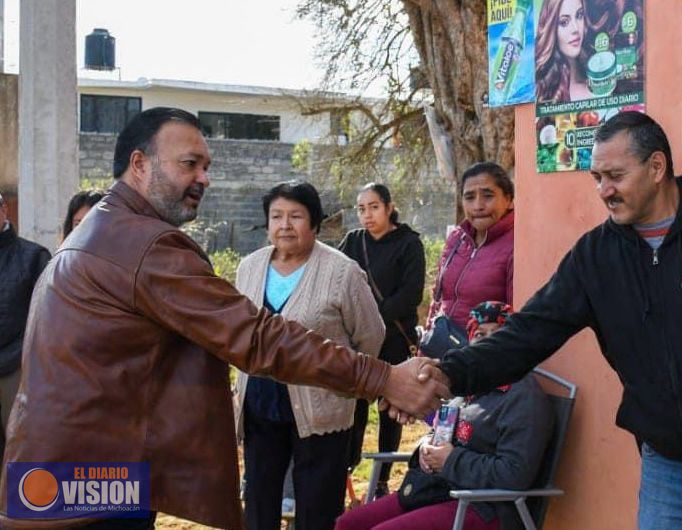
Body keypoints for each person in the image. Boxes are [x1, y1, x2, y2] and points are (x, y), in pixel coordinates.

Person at [0, 107, 448, 530]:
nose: (204, 178)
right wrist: (383, 379)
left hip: (60, 468)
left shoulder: (98, 229)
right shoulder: (142, 244)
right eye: (189, 164)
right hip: (90, 476)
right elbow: (255, 336)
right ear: (140, 164)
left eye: (206, 166)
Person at [425, 111, 682, 529]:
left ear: (657, 167)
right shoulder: (595, 257)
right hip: (667, 472)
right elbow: (527, 334)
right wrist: (447, 374)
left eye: (615, 176)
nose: (604, 190)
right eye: (597, 178)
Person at [235, 180, 386, 530]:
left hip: (322, 409)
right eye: (276, 216)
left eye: (296, 216)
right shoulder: (249, 267)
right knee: (258, 503)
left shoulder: (342, 271)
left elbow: (371, 335)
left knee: (318, 509)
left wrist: (347, 383)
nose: (285, 225)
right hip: (260, 404)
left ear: (315, 222)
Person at [337, 302, 554, 530]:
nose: (489, 342)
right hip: (438, 490)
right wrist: (425, 447)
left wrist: (451, 460)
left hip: (484, 506)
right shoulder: (467, 387)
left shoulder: (523, 397)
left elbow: (514, 474)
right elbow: (439, 431)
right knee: (349, 524)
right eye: (480, 335)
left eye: (498, 334)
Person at [340, 182, 426, 498]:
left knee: (390, 411)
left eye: (374, 207)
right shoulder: (353, 242)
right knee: (354, 408)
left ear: (389, 208)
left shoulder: (408, 243)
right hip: (359, 343)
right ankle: (346, 470)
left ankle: (381, 480)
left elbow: (411, 294)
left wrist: (372, 317)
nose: (367, 215)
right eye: (361, 209)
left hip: (394, 341)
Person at [424, 162, 515, 334]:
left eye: (488, 196)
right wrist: (428, 337)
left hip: (483, 349)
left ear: (509, 200)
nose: (478, 206)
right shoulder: (457, 238)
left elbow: (517, 320)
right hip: (441, 344)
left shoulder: (517, 245)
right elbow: (438, 296)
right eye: (469, 197)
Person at [0, 192, 50, 453]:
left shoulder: (34, 257)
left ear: (4, 211)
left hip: (18, 368)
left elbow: (48, 317)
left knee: (21, 449)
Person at [535, 0, 593, 103]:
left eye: (579, 15)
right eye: (564, 22)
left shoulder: (596, 73)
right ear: (551, 29)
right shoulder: (541, 90)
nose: (575, 28)